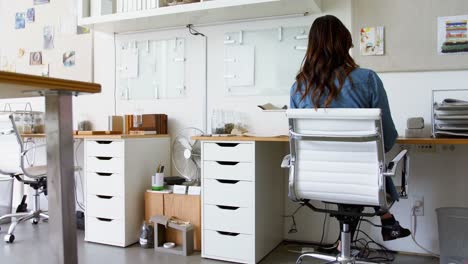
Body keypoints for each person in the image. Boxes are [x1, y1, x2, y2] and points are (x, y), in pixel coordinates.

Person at [290, 15, 410, 242]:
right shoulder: (367, 79)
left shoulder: (298, 88)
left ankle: (355, 238)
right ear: (345, 44)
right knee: (364, 166)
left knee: (349, 169)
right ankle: (385, 217)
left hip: (318, 176)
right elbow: (388, 139)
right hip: (359, 177)